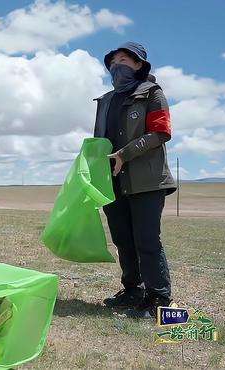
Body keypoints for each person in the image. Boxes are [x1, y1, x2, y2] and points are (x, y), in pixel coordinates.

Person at [92, 42, 176, 318]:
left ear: (140, 65)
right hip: (113, 182)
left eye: (125, 59)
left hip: (147, 181)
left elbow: (161, 132)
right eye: (114, 61)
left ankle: (158, 299)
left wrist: (124, 154)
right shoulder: (105, 101)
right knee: (123, 240)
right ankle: (133, 290)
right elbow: (99, 142)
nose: (118, 64)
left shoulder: (152, 93)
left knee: (146, 240)